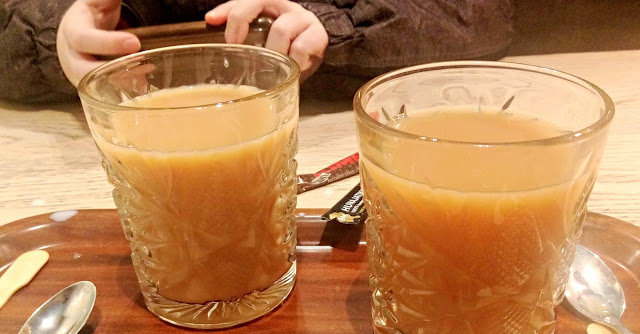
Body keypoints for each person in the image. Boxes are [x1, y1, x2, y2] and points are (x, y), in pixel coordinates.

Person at [0, 0, 514, 103]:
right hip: (123, 148)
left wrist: (335, 28)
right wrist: (56, 32)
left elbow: (484, 15)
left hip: (342, 128)